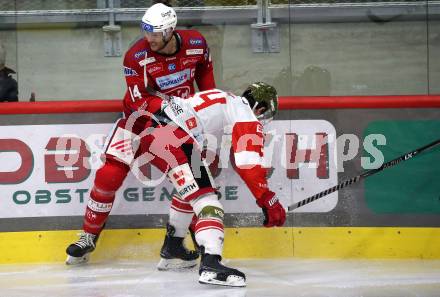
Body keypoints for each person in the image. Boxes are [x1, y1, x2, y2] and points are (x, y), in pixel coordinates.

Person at [65, 2, 215, 268]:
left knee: (189, 181)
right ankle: (88, 236)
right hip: (138, 121)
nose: (149, 38)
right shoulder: (135, 57)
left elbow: (205, 75)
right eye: (146, 31)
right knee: (108, 173)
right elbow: (139, 102)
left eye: (155, 33)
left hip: (176, 129)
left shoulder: (197, 43)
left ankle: (179, 244)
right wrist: (173, 109)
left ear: (170, 30)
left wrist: (206, 109)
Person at [146, 82, 286, 287]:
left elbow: (230, 158)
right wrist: (268, 199)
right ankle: (211, 265)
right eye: (264, 117)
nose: (261, 122)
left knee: (193, 188)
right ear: (260, 108)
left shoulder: (223, 99)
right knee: (208, 202)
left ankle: (173, 248)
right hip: (173, 135)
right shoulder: (245, 112)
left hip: (150, 127)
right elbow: (248, 164)